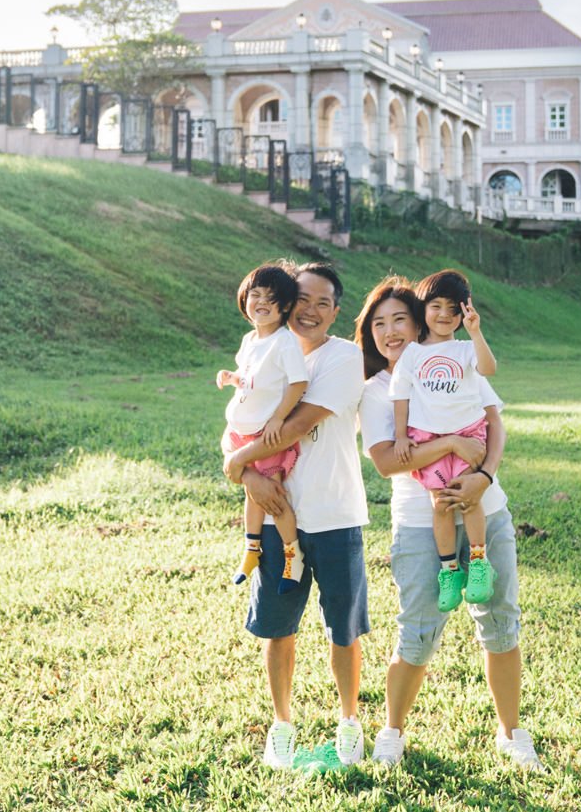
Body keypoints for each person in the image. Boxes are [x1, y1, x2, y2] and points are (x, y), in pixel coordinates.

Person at [354, 276, 543, 771]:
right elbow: (389, 461)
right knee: (417, 630)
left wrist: (483, 474)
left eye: (400, 319)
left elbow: (494, 422)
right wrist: (454, 446)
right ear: (369, 332)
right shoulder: (376, 392)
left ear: (421, 323)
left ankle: (511, 733)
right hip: (420, 521)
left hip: (487, 509)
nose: (390, 331)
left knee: (501, 623)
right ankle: (391, 731)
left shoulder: (456, 362)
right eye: (379, 323)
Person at [223, 262, 369, 770]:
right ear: (286, 302)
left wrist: (236, 464)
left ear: (335, 311)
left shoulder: (344, 357)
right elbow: (240, 419)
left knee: (343, 629)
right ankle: (282, 725)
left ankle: (349, 720)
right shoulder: (267, 354)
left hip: (334, 513)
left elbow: (293, 426)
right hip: (275, 513)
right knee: (278, 626)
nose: (310, 310)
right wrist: (247, 474)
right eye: (302, 299)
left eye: (323, 303)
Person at [388, 269, 498, 612]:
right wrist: (403, 436)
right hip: (428, 439)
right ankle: (450, 570)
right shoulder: (413, 354)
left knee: (468, 499)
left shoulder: (465, 349)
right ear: (423, 309)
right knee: (441, 504)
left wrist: (476, 333)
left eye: (453, 308)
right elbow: (400, 396)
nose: (444, 315)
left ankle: (479, 563)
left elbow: (489, 368)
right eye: (436, 306)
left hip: (468, 434)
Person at [217, 262, 308, 591]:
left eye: (271, 298)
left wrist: (278, 418)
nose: (261, 302)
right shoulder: (250, 339)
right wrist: (231, 378)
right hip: (240, 428)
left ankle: (292, 555)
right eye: (255, 295)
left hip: (266, 435)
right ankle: (251, 549)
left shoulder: (284, 342)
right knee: (251, 493)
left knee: (274, 496)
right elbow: (250, 379)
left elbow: (298, 384)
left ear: (284, 306)